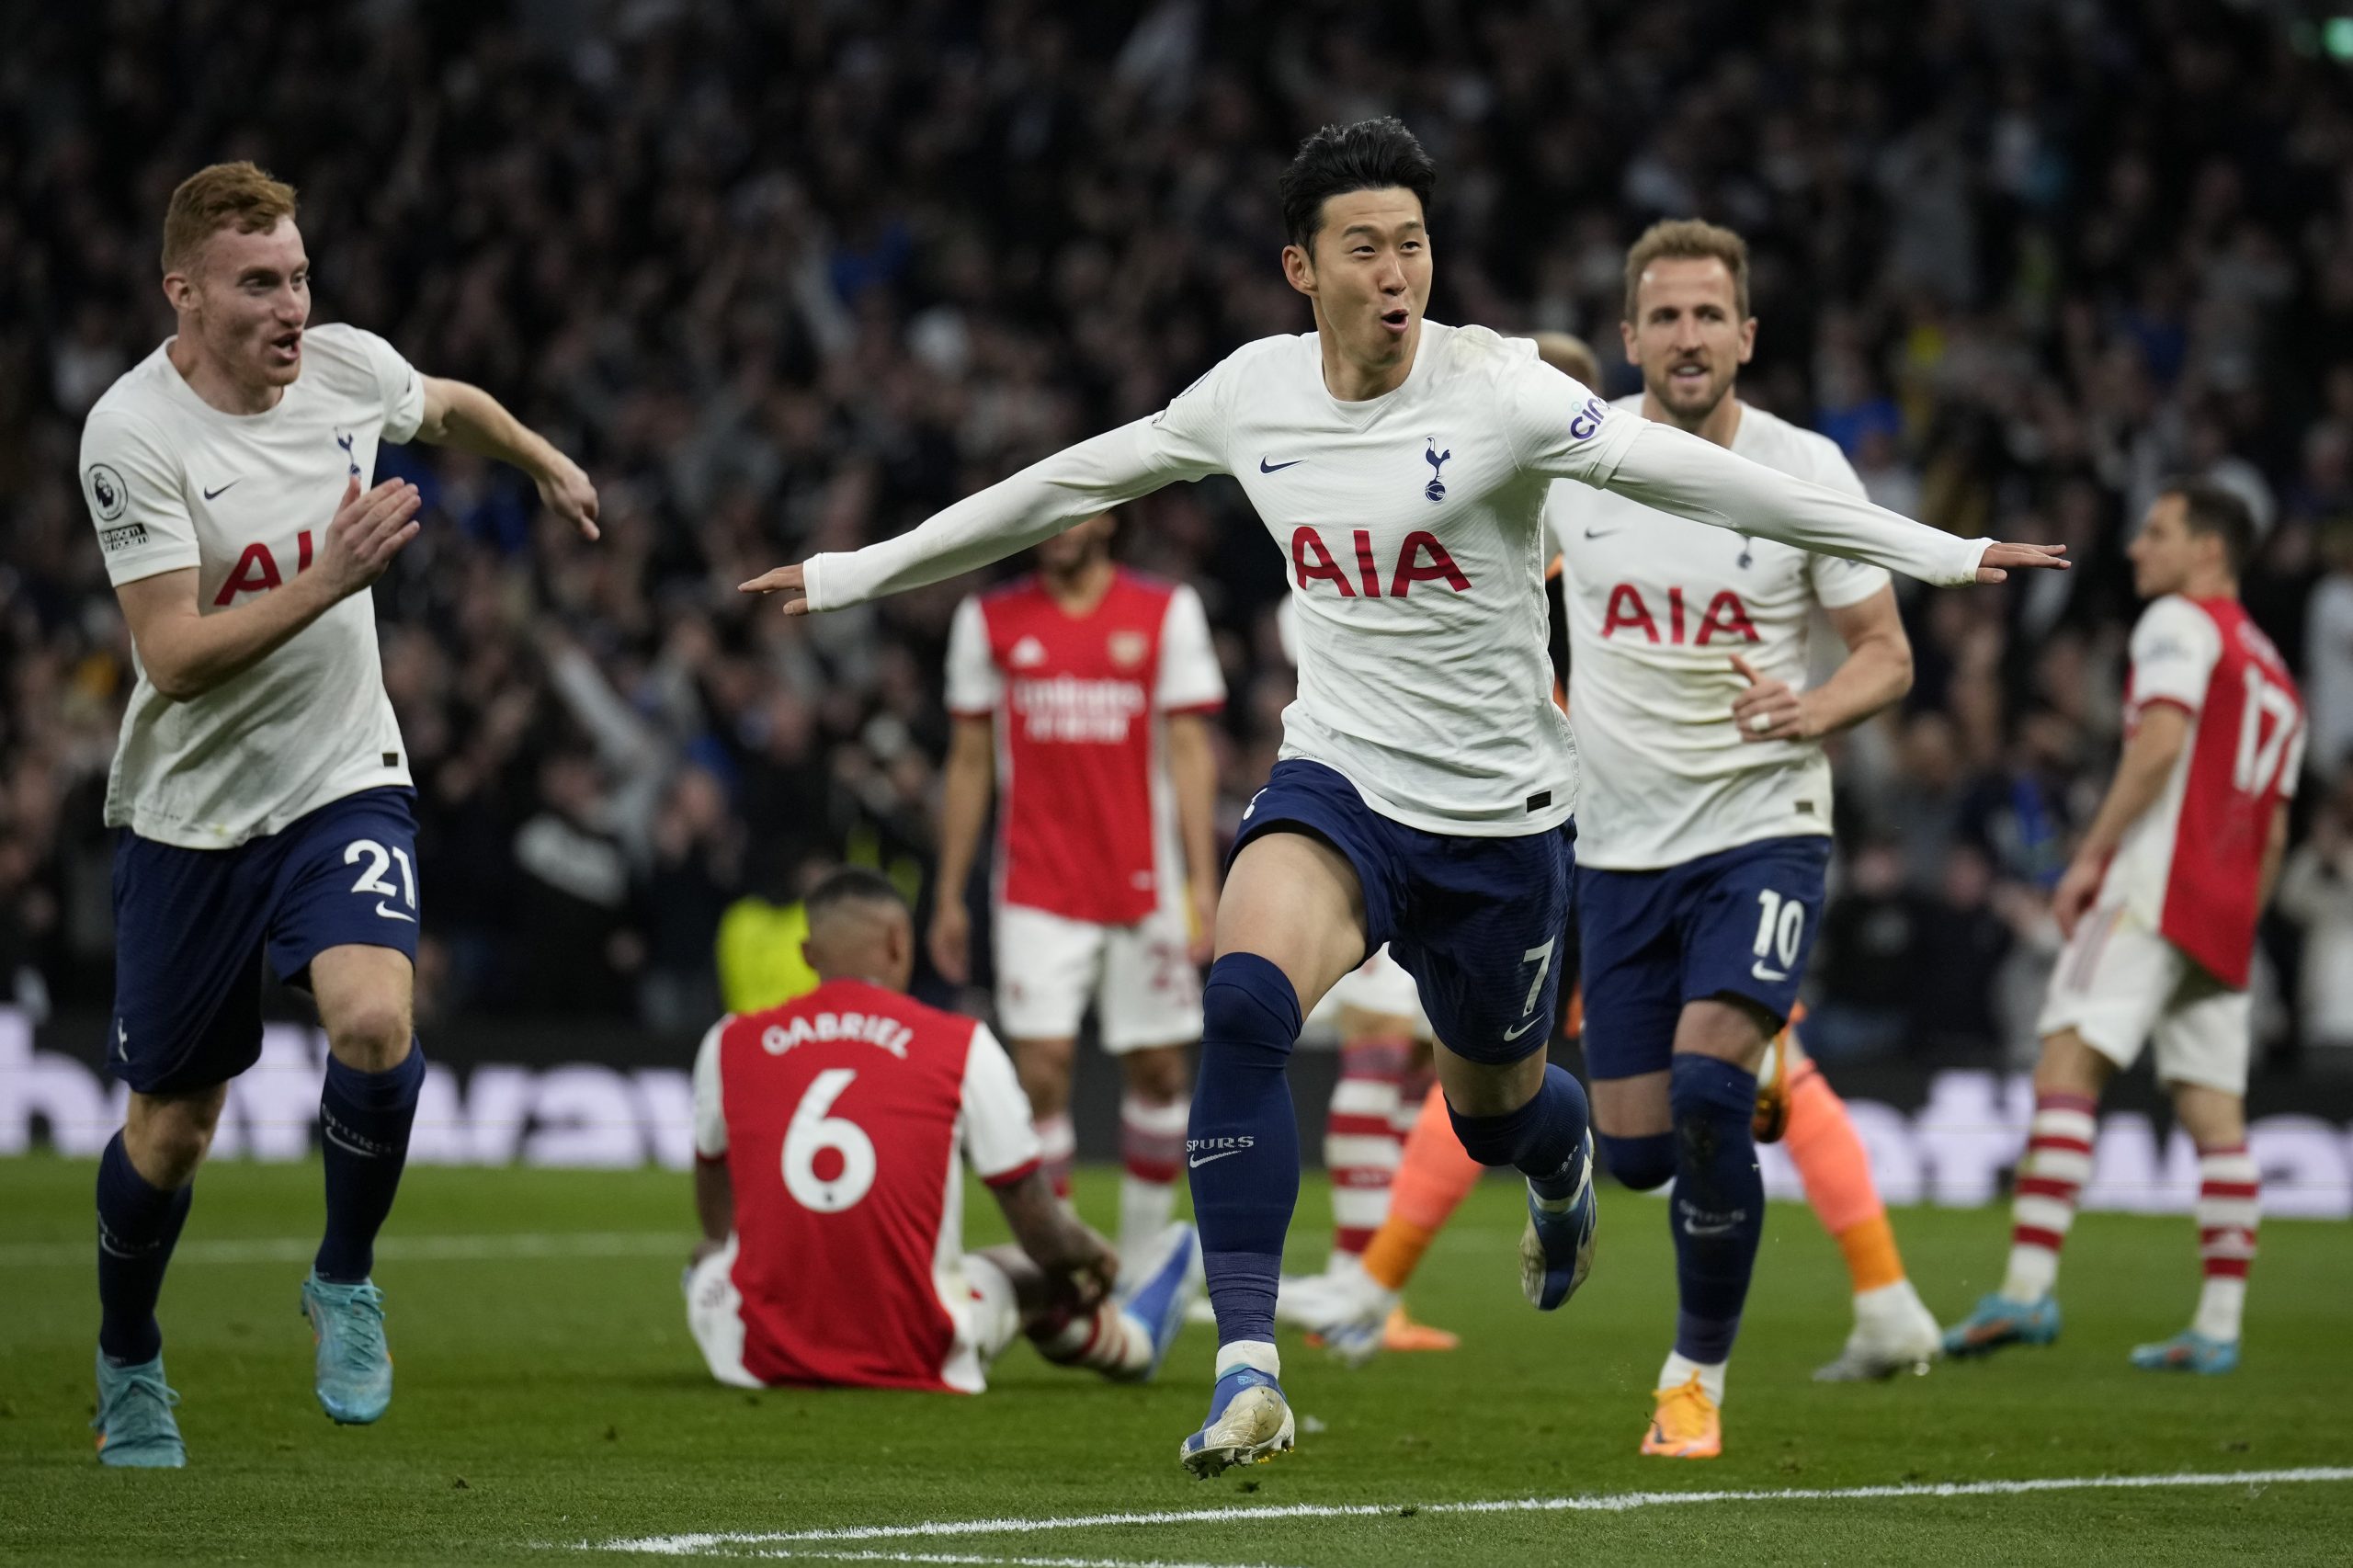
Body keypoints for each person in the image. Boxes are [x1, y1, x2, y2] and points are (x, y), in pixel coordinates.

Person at [742, 118, 2063, 1475]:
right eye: (1364, 246)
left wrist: (1940, 549)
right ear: (1301, 267)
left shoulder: (1499, 391)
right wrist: (852, 571)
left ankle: (1557, 1167)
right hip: (1341, 780)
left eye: (1414, 244)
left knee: (1498, 1107)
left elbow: (1707, 473)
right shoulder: (1252, 394)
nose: (1397, 271)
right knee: (1245, 999)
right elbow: (1070, 479)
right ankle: (1248, 1367)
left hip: (1500, 825)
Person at [77, 163, 600, 1468]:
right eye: (260, 283)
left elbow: (447, 404)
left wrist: (538, 455)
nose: (291, 304)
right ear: (183, 293)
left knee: (374, 1016)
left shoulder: (345, 371)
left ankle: (345, 1275)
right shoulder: (131, 435)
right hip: (190, 814)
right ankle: (129, 1354)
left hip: (338, 776)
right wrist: (330, 577)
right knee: (172, 1129)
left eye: (300, 276)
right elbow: (175, 656)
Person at [1548, 222, 1947, 1454]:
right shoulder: (1573, 460)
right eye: (1663, 317)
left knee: (1712, 1094)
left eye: (1708, 316)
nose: (1687, 338)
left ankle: (1694, 1383)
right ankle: (1749, 1070)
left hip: (1761, 827)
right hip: (1617, 852)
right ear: (1628, 339)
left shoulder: (1806, 470)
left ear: (1746, 335)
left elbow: (1888, 651)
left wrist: (1813, 706)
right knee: (1633, 1156)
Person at [1945, 481, 2303, 1375]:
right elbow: (2277, 828)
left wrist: (2091, 859)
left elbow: (2158, 744)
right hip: (2224, 906)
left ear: (2208, 551)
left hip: (2155, 882)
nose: (2137, 547)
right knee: (2214, 1112)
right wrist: (2237, 920)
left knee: (2068, 1061)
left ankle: (2025, 1291)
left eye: (2158, 532)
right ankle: (2217, 1322)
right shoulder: (2274, 671)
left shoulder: (2181, 623)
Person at [685, 869, 1199, 1392]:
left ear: (807, 953)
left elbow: (715, 1219)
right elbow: (1041, 1233)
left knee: (707, 1258)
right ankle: (1133, 1342)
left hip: (758, 1359)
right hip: (915, 1349)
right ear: (897, 943)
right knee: (1026, 1270)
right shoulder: (961, 1045)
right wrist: (1090, 1253)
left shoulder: (728, 1042)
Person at [933, 511, 1224, 1280]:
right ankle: (1067, 1269)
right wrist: (948, 895)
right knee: (1042, 1074)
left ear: (1110, 518)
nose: (1057, 529)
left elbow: (1191, 751)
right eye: (1043, 515)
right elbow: (967, 764)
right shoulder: (987, 620)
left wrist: (1204, 882)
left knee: (1161, 1070)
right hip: (1034, 883)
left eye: (1074, 513)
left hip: (1145, 884)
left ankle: (1136, 1266)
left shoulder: (1166, 611)